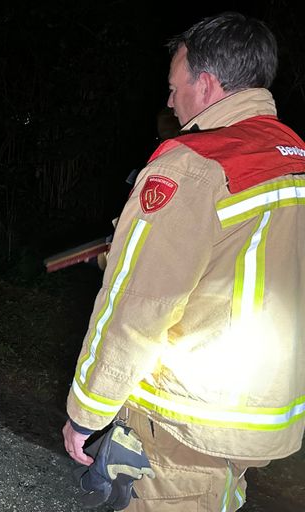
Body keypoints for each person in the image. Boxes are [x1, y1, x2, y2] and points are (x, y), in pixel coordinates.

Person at [62, 11, 305, 511]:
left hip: (187, 420)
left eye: (175, 86)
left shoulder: (192, 165)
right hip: (263, 413)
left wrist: (87, 409)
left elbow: (140, 305)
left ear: (209, 83)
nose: (170, 99)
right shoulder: (294, 156)